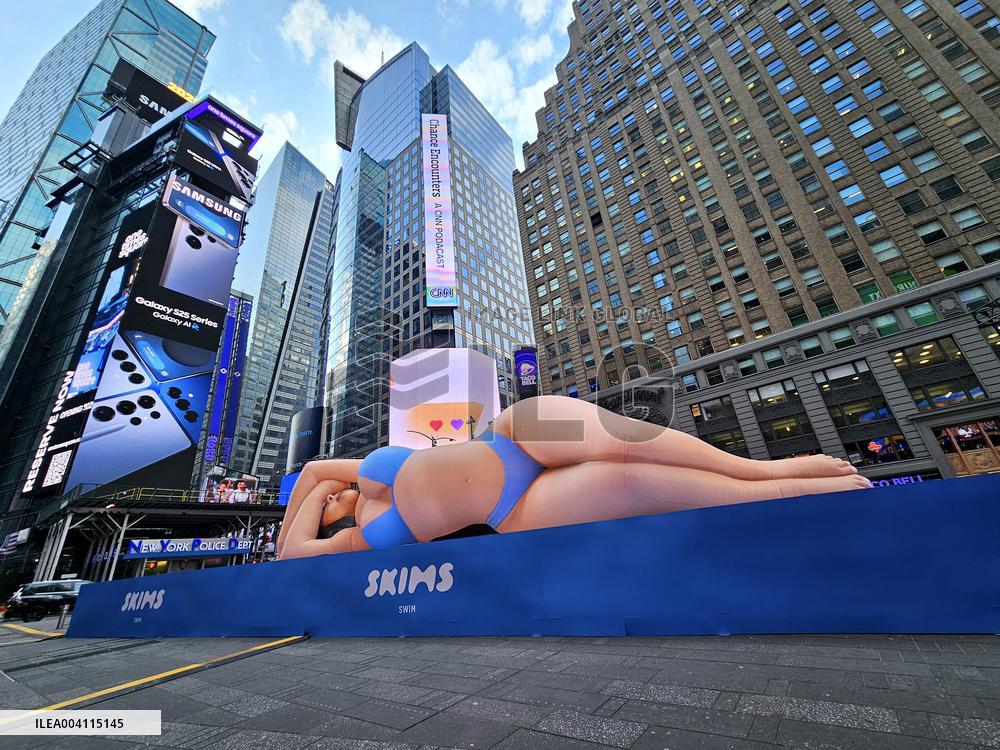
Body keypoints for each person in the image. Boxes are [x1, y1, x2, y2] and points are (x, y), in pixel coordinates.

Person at [278, 395, 870, 559]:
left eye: (333, 495)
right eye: (330, 501)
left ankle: (768, 469)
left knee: (628, 440)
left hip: (513, 434)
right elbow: (289, 555)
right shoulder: (363, 535)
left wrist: (323, 489)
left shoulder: (365, 476)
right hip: (517, 507)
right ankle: (795, 489)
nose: (332, 495)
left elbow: (309, 470)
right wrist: (320, 511)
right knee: (633, 482)